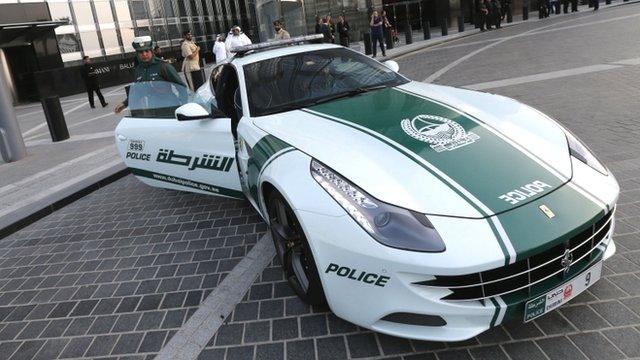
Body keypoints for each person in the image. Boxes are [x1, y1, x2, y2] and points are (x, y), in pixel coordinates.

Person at [114, 36, 185, 114]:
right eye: (141, 52)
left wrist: (183, 107)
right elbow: (138, 91)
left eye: (147, 51)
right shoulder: (138, 70)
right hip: (153, 111)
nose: (144, 54)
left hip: (171, 110)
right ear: (137, 54)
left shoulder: (163, 66)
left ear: (151, 51)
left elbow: (181, 87)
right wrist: (125, 103)